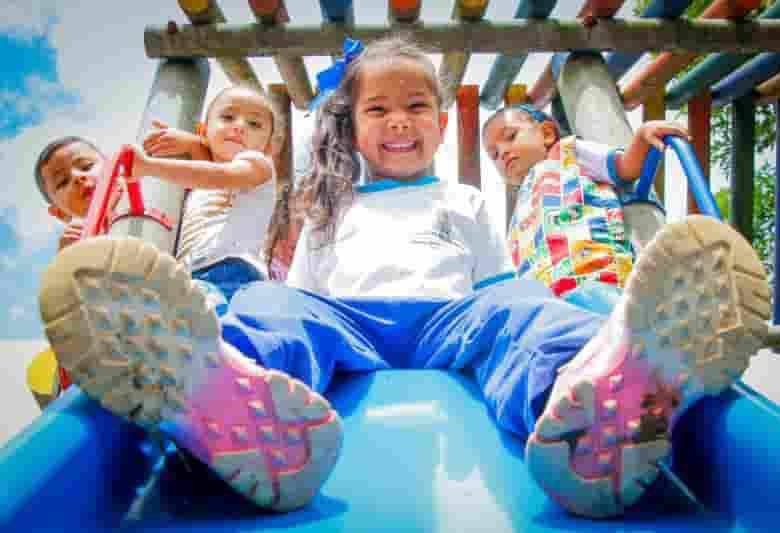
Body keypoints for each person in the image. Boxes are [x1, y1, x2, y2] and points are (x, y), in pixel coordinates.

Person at [38, 35, 770, 519]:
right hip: (349, 317)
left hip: (450, 317)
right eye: (378, 108)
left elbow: (498, 284)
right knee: (272, 301)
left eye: (417, 106)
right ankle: (225, 397)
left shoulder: (466, 197)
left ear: (440, 124)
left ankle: (588, 403)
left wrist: (520, 315)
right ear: (353, 126)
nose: (399, 120)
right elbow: (308, 288)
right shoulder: (329, 200)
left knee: (523, 306)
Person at [483, 104, 689, 314]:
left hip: (593, 278)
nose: (503, 152)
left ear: (546, 133)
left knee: (616, 328)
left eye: (510, 136)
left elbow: (624, 168)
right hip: (545, 305)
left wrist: (642, 138)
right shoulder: (521, 208)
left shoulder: (566, 154)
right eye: (494, 154)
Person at [133, 84, 280, 308]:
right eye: (228, 117)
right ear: (204, 131)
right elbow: (207, 169)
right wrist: (193, 143)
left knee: (208, 324)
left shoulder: (258, 166)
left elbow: (219, 175)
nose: (239, 126)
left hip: (230, 270)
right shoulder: (205, 181)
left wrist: (149, 166)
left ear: (268, 148)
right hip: (191, 275)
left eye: (254, 124)